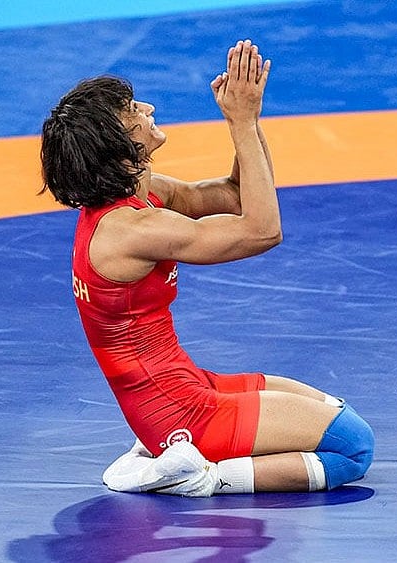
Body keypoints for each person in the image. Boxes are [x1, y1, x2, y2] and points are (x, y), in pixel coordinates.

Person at [40, 40, 374, 496]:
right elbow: (261, 231)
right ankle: (202, 476)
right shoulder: (132, 230)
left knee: (332, 408)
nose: (149, 107)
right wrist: (240, 121)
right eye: (133, 109)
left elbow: (237, 196)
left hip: (184, 387)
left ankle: (173, 452)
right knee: (352, 446)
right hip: (178, 413)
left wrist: (248, 123)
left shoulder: (143, 195)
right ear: (118, 144)